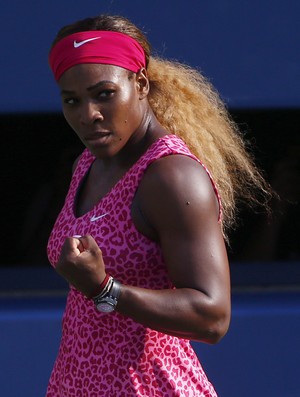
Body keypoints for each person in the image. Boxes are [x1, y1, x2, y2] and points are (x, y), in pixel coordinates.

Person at [46, 14, 270, 397]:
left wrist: (104, 288)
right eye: (73, 101)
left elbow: (212, 316)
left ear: (141, 84)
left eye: (104, 94)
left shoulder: (172, 176)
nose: (89, 115)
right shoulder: (87, 162)